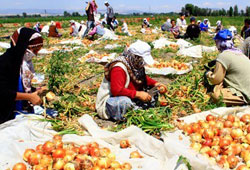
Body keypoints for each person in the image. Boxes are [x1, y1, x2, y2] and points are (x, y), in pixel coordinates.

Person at [96, 40, 166, 121]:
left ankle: (137, 109)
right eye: (142, 59)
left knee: (154, 92)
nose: (143, 63)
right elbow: (116, 90)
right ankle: (132, 113)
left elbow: (143, 77)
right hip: (111, 101)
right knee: (125, 102)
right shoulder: (119, 68)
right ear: (135, 57)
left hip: (130, 95)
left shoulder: (135, 65)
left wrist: (156, 84)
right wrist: (138, 94)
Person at [0, 27, 45, 124]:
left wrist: (35, 91)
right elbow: (3, 92)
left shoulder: (22, 63)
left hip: (18, 110)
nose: (35, 54)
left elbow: (18, 86)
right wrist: (29, 97)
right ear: (23, 45)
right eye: (34, 50)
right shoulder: (4, 62)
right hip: (4, 114)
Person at [206, 29, 250, 106]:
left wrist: (208, 74)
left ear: (218, 42)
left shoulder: (223, 55)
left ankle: (242, 100)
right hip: (247, 87)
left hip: (244, 93)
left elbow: (216, 80)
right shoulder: (240, 53)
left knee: (215, 95)